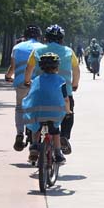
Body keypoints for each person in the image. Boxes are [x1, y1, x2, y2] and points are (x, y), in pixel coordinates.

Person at [23, 24, 79, 160]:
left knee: (32, 113)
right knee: (68, 115)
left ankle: (32, 141)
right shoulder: (69, 51)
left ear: (46, 38)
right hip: (63, 91)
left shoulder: (37, 50)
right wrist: (75, 84)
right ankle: (64, 137)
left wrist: (27, 81)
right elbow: (76, 70)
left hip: (39, 89)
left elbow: (29, 69)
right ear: (62, 39)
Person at [22, 52, 71, 164]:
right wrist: (68, 111)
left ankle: (34, 145)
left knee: (36, 128)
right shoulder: (61, 80)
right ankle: (58, 153)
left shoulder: (35, 80)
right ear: (57, 66)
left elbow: (31, 96)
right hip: (55, 113)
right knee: (55, 131)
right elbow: (66, 99)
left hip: (37, 112)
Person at [4, 25, 44, 151]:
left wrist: (8, 76)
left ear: (25, 36)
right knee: (37, 111)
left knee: (20, 108)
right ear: (39, 36)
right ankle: (35, 142)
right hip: (38, 84)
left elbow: (13, 67)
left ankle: (20, 133)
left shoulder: (17, 47)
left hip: (21, 83)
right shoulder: (43, 48)